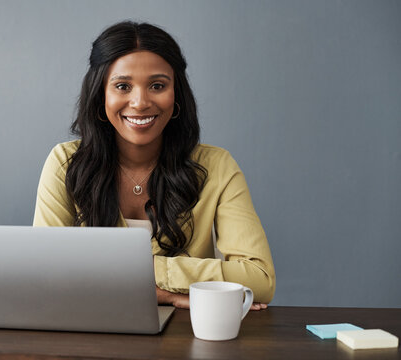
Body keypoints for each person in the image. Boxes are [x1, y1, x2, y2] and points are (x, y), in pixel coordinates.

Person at [33, 21, 275, 310]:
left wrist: (146, 273)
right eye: (123, 86)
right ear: (101, 95)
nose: (140, 102)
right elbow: (45, 277)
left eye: (157, 86)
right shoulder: (65, 163)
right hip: (91, 334)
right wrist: (172, 295)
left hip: (186, 341)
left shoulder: (217, 166)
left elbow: (259, 280)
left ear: (177, 95)